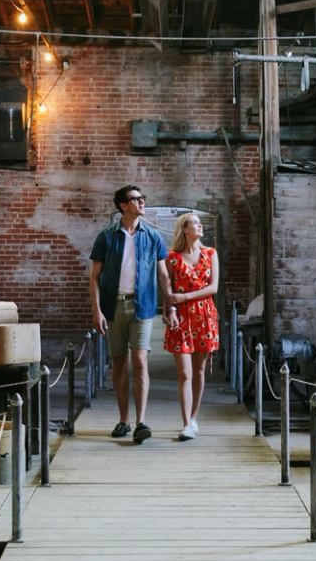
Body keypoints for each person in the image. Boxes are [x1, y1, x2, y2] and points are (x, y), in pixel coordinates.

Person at [88, 184, 166, 444]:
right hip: (114, 306)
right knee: (119, 362)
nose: (142, 202)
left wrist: (170, 306)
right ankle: (123, 419)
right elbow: (94, 277)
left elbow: (163, 274)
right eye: (136, 199)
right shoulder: (107, 237)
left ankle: (141, 421)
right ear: (123, 205)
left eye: (143, 198)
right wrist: (97, 310)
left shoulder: (153, 236)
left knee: (140, 361)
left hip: (143, 306)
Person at [160, 211, 220, 441]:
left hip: (205, 315)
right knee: (185, 372)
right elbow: (167, 289)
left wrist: (184, 298)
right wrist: (171, 309)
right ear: (184, 229)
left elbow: (213, 287)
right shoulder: (173, 258)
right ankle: (186, 423)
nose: (200, 226)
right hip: (182, 318)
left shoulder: (210, 253)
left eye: (200, 222)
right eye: (195, 223)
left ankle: (194, 417)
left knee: (200, 370)